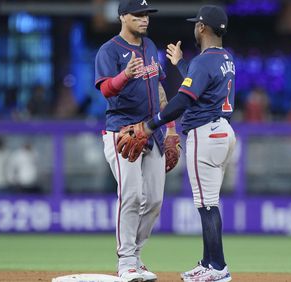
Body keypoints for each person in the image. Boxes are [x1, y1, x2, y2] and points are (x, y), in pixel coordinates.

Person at [116, 5, 235, 282]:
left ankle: (217, 267)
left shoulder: (203, 62)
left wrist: (150, 125)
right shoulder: (225, 58)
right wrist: (181, 64)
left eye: (197, 24)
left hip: (205, 133)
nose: (194, 27)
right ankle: (209, 262)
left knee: (206, 205)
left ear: (202, 28)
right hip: (224, 132)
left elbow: (182, 101)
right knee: (211, 203)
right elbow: (202, 83)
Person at [94, 0, 180, 281]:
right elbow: (106, 89)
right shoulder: (109, 50)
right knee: (132, 195)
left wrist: (170, 129)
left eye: (147, 14)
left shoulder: (150, 46)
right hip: (122, 132)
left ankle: (137, 257)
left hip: (152, 132)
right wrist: (124, 75)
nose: (145, 19)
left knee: (154, 199)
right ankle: (126, 261)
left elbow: (159, 88)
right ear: (123, 17)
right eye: (138, 15)